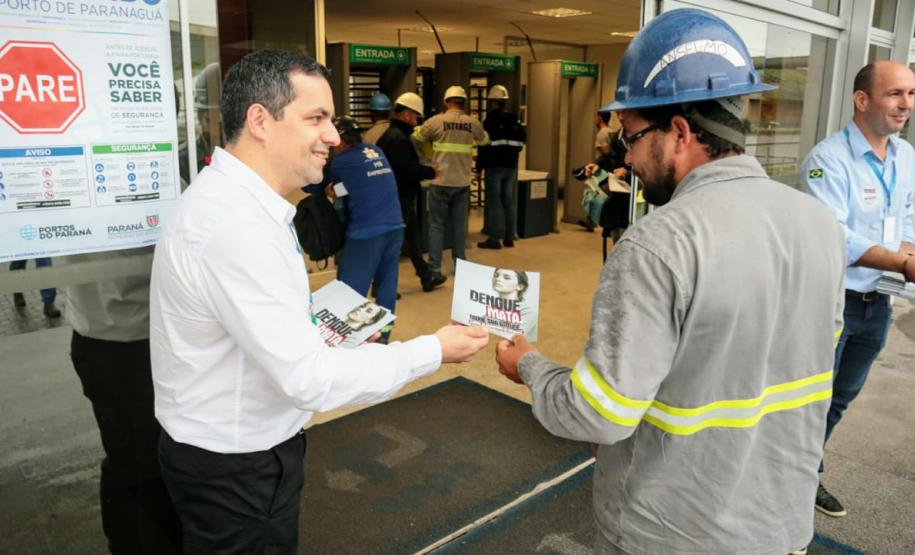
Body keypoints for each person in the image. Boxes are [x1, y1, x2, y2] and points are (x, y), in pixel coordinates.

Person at [494, 9, 845, 555]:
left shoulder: (657, 244)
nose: (627, 157)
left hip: (672, 532)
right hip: (779, 523)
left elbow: (598, 414)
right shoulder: (819, 223)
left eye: (630, 137)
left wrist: (529, 367)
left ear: (679, 132)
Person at [150, 50, 489, 554]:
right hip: (238, 466)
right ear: (260, 121)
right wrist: (433, 350)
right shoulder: (236, 226)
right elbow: (308, 380)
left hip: (229, 450)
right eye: (317, 118)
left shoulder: (238, 203)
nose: (333, 135)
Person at [800, 60, 915, 518]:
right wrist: (903, 263)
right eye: (895, 94)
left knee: (842, 397)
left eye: (911, 94)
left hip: (878, 301)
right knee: (811, 401)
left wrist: (906, 253)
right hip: (832, 302)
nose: (906, 104)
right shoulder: (827, 160)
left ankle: (805, 472)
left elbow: (908, 214)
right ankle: (789, 480)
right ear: (862, 99)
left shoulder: (906, 156)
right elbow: (836, 237)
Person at [66, 247, 182, 554]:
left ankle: (126, 541)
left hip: (97, 334)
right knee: (150, 466)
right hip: (141, 339)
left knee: (126, 456)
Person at [304, 115, 404, 342]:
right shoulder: (376, 151)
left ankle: (349, 340)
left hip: (366, 232)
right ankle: (382, 337)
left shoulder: (341, 161)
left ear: (340, 140)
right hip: (395, 226)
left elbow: (312, 185)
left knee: (349, 291)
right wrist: (336, 191)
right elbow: (360, 184)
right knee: (386, 287)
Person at [413, 85, 488, 279]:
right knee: (459, 226)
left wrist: (426, 155)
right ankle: (461, 265)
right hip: (462, 182)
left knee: (436, 226)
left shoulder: (436, 121)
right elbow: (484, 141)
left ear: (446, 102)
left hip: (440, 180)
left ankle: (434, 268)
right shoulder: (473, 123)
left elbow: (416, 136)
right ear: (464, 102)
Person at [376, 92, 446, 292]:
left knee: (412, 238)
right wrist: (430, 172)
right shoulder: (399, 138)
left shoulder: (390, 135)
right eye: (416, 116)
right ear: (406, 114)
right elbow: (407, 169)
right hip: (399, 197)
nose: (417, 121)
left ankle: (426, 277)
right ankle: (381, 285)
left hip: (396, 195)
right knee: (393, 243)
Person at [477, 85, 526, 250]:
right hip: (511, 166)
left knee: (494, 202)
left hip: (494, 166)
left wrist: (479, 169)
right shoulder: (514, 119)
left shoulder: (489, 120)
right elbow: (522, 140)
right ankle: (510, 237)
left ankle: (494, 238)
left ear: (492, 102)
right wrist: (511, 154)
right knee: (508, 201)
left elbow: (483, 146)